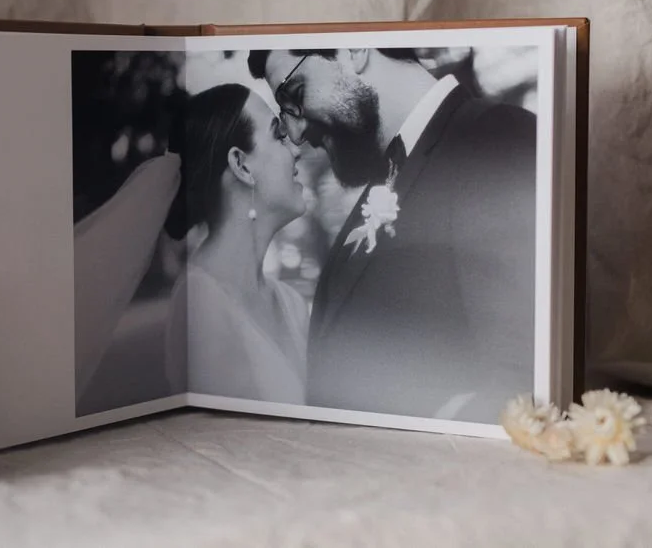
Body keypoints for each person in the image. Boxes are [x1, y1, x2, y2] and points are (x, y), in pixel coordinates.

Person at [247, 48, 537, 422]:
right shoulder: (391, 176)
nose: (297, 132)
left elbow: (520, 384)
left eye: (295, 94)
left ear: (354, 50)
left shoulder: (496, 138)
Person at [164, 83, 311, 404]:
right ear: (241, 165)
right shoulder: (200, 307)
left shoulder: (292, 304)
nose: (297, 149)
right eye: (277, 135)